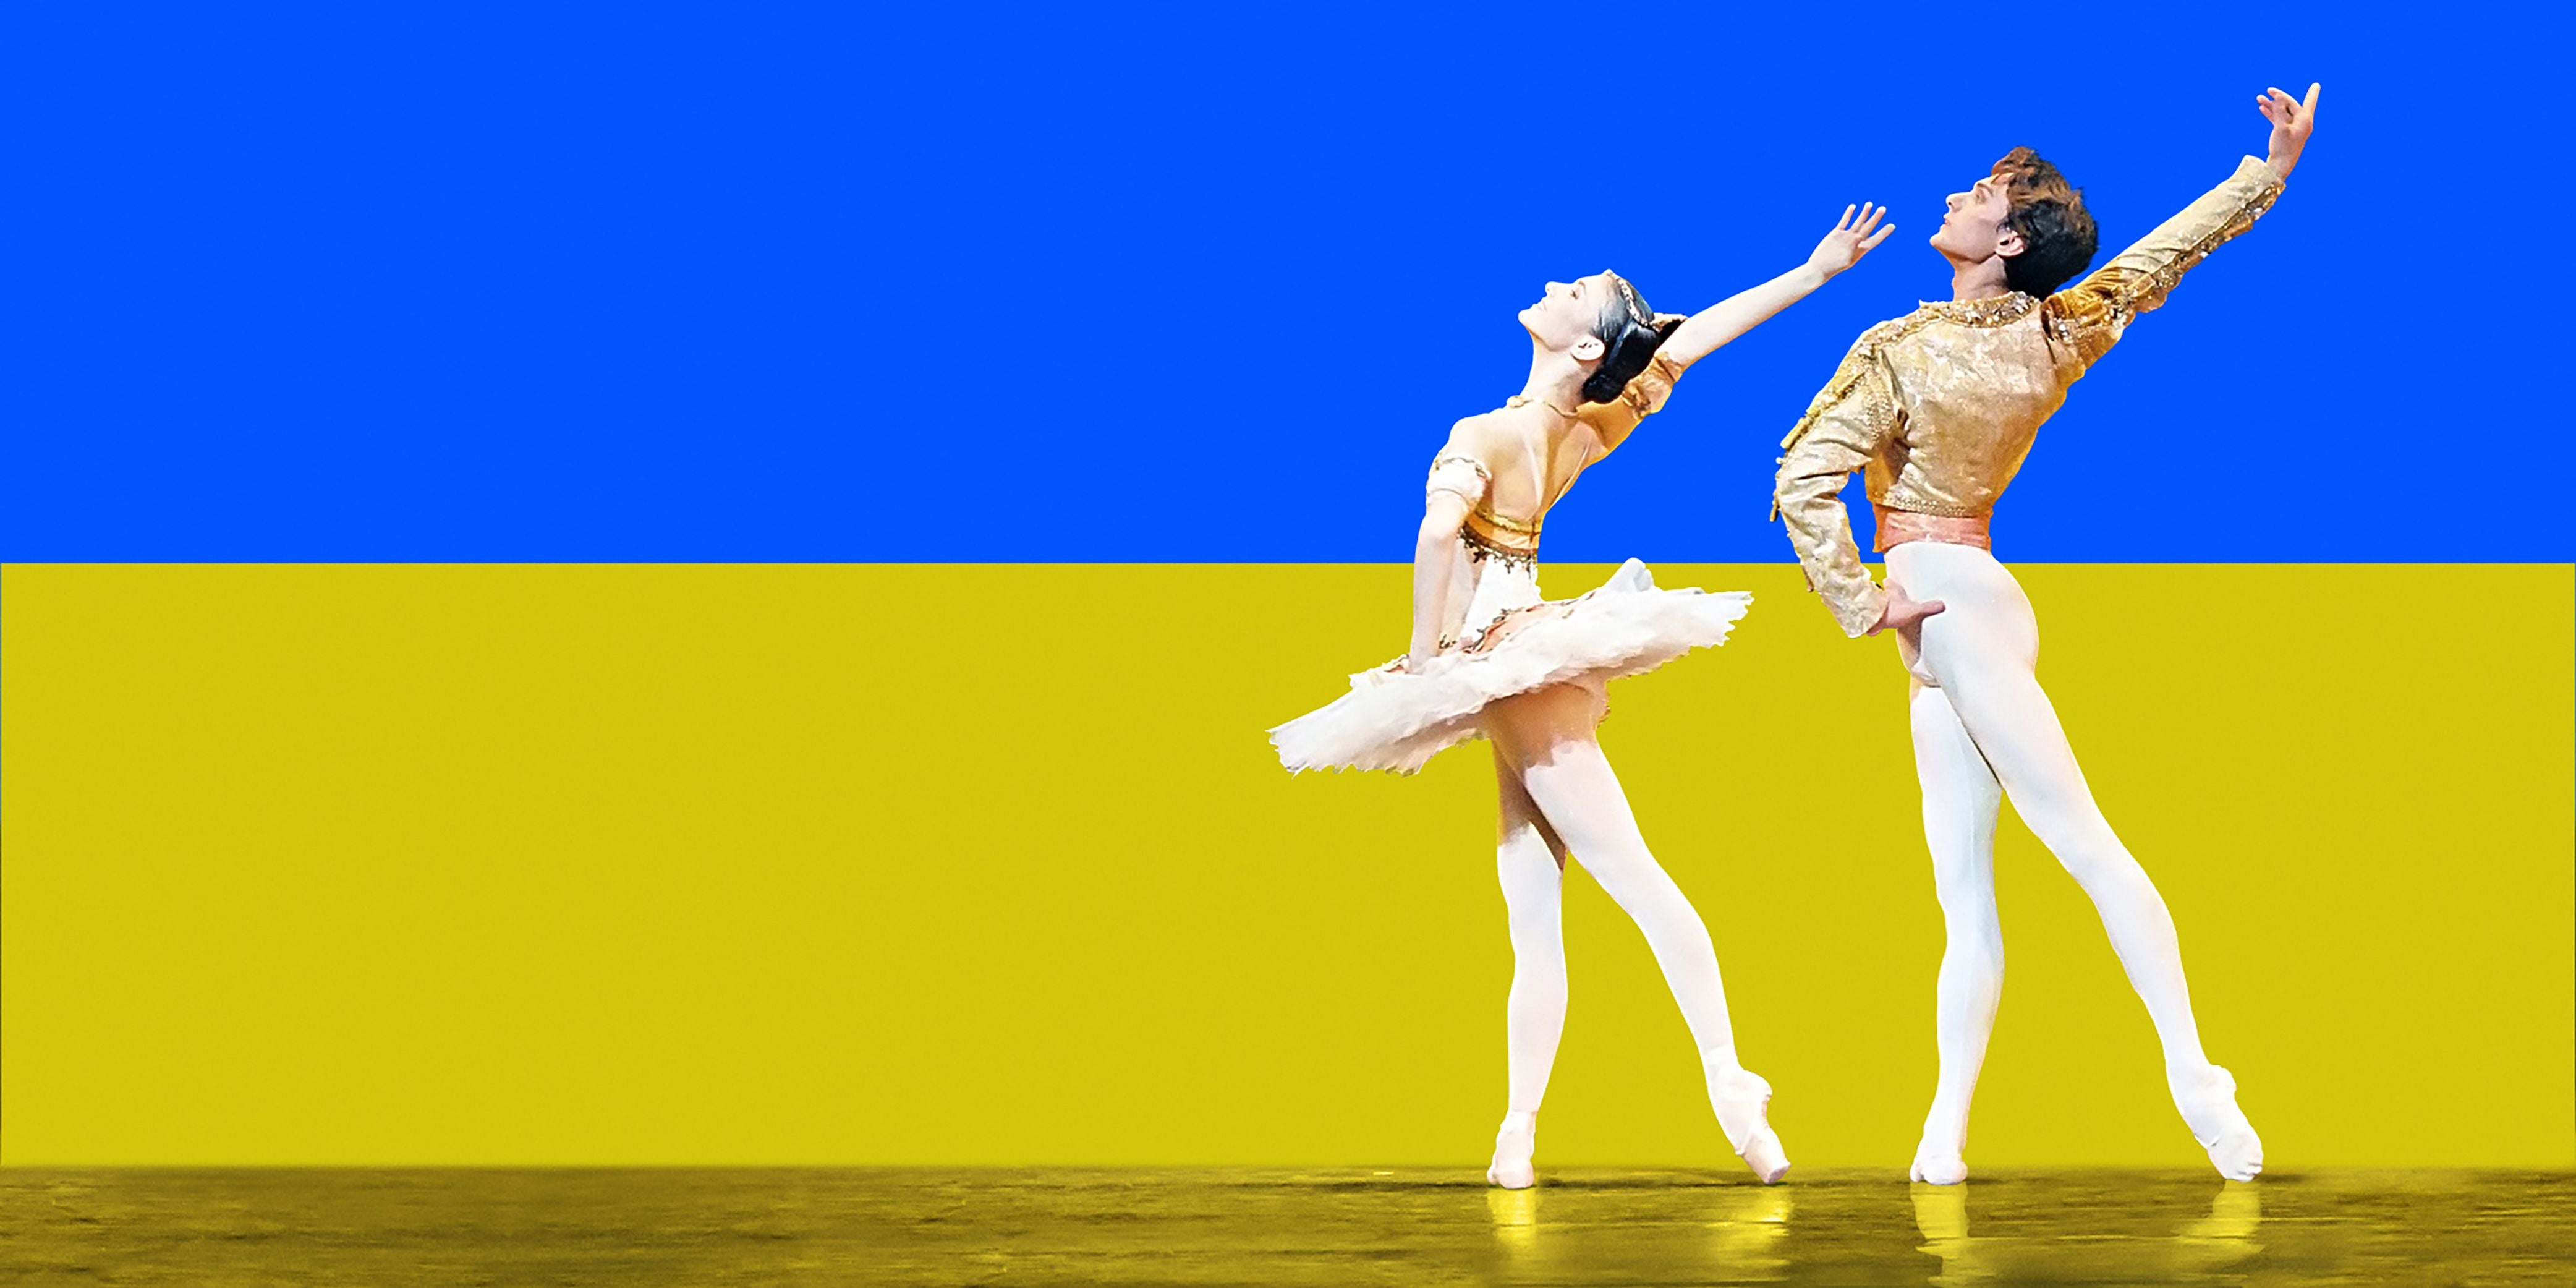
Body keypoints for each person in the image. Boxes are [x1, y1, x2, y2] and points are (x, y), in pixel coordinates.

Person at [1273, 204, 1895, 1187]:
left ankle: (1733, 1086)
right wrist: (1811, 275)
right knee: (1541, 914)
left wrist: (1424, 656)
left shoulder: (1487, 432)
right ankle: (1516, 1137)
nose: (1559, 283)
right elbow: (1690, 345)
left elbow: (1441, 538)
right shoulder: (1584, 430)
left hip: (1508, 663)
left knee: (1631, 882)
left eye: (1577, 293)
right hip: (1516, 664)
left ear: (1584, 342)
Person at [1769, 84, 2323, 1184]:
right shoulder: (2061, 326)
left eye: (1978, 193)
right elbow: (2169, 256)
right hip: (1959, 598)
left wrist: (1863, 599)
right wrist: (2270, 172)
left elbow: (1803, 477)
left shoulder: (1903, 347)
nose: (1955, 196)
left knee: (2078, 839)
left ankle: (2194, 1072)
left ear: (2008, 237)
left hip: (1943, 600)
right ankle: (1943, 1131)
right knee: (1963, 896)